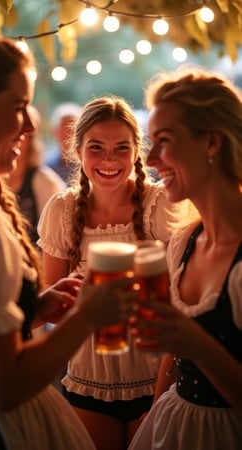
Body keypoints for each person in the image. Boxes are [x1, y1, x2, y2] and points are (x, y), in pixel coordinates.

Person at [0, 30, 139, 450]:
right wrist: (88, 316)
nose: (31, 126)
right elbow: (5, 384)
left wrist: (33, 309)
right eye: (18, 108)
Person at [37, 95, 191, 450]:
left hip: (157, 380)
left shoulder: (160, 205)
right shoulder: (62, 210)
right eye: (96, 147)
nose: (109, 159)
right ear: (77, 150)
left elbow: (183, 299)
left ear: (138, 151)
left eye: (121, 147)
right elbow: (51, 311)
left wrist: (159, 398)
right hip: (88, 379)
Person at [128, 67, 242, 450]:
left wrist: (201, 346)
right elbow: (174, 352)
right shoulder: (183, 241)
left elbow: (190, 342)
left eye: (164, 141)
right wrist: (157, 404)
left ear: (211, 143)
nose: (151, 158)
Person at [7, 105, 65, 244]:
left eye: (22, 134)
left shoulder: (45, 182)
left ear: (31, 140)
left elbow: (56, 240)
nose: (15, 139)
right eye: (11, 131)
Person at [46, 102, 82, 185]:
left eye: (73, 128)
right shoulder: (45, 165)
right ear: (54, 132)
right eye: (65, 128)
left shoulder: (88, 164)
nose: (69, 134)